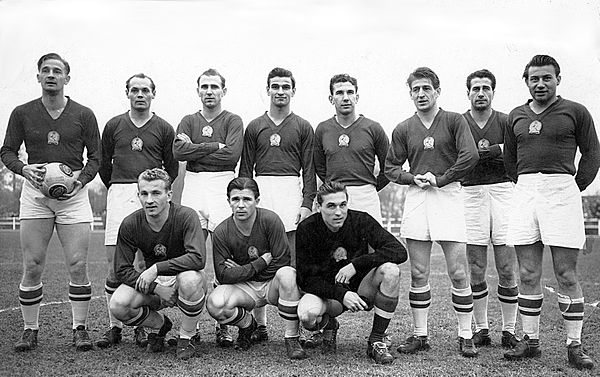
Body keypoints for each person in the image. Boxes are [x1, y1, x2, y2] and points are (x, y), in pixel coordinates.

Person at [503, 55, 599, 370]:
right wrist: (526, 184)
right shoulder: (516, 115)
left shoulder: (575, 111)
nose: (540, 84)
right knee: (528, 273)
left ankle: (574, 345)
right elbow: (510, 159)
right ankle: (530, 341)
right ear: (527, 82)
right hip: (526, 192)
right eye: (534, 79)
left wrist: (576, 186)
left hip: (561, 192)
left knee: (566, 274)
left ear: (557, 79)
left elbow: (592, 152)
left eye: (547, 78)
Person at [1, 53, 101, 352]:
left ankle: (80, 329)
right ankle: (30, 330)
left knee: (77, 264)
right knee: (32, 265)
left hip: (73, 196)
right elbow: (6, 151)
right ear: (38, 77)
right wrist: (23, 169)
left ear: (67, 78)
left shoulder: (84, 114)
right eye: (45, 70)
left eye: (58, 71)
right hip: (35, 196)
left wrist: (80, 181)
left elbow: (95, 158)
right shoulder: (22, 112)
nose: (51, 75)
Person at [384, 67, 480, 357]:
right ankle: (420, 334)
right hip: (417, 196)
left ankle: (465, 334)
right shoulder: (403, 128)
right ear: (410, 93)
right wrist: (412, 178)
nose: (421, 94)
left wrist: (442, 178)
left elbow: (470, 155)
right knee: (419, 272)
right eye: (416, 89)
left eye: (426, 88)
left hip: (448, 195)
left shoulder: (453, 121)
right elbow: (390, 167)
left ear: (437, 91)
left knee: (458, 272)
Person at [97, 73, 178, 349]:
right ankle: (114, 326)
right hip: (120, 192)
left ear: (153, 94)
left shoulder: (164, 128)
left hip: (149, 193)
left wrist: (152, 191)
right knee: (114, 266)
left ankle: (141, 327)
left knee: (144, 264)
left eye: (145, 90)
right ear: (127, 93)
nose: (140, 94)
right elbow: (103, 165)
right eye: (135, 90)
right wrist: (119, 187)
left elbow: (172, 168)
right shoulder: (113, 125)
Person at [295, 181, 407, 364]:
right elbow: (305, 279)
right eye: (331, 206)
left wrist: (356, 264)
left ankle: (376, 340)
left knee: (391, 271)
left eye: (342, 205)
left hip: (362, 290)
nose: (338, 212)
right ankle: (328, 324)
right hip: (328, 295)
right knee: (307, 315)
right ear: (318, 206)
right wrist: (342, 294)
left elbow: (399, 251)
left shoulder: (361, 220)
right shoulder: (307, 228)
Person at [172, 68, 244, 348]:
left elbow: (232, 154)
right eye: (205, 86)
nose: (210, 91)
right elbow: (178, 153)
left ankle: (223, 325)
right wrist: (214, 144)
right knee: (192, 256)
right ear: (198, 90)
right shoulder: (188, 120)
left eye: (215, 86)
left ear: (223, 91)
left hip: (221, 184)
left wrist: (196, 148)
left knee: (225, 256)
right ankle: (193, 326)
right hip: (193, 185)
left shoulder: (233, 120)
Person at [110, 168, 208, 360]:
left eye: (156, 193)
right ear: (138, 195)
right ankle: (160, 325)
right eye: (144, 194)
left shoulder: (186, 216)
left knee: (190, 279)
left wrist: (156, 268)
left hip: (183, 279)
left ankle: (186, 336)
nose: (149, 200)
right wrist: (156, 288)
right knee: (118, 305)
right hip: (153, 284)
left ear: (169, 195)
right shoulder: (131, 223)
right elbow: (121, 269)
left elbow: (198, 258)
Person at [205, 177, 307, 360]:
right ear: (228, 201)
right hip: (245, 288)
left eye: (247, 199)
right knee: (215, 303)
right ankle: (248, 325)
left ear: (257, 201)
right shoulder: (222, 231)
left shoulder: (271, 220)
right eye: (235, 199)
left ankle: (292, 338)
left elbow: (282, 261)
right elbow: (223, 274)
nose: (241, 205)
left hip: (270, 285)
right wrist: (259, 263)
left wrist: (241, 270)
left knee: (288, 274)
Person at [461, 69, 519, 349]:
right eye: (475, 88)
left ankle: (509, 329)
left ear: (493, 92)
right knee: (476, 266)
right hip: (470, 192)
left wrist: (496, 148)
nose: (480, 93)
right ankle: (482, 328)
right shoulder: (459, 122)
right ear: (468, 93)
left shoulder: (507, 121)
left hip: (503, 190)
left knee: (507, 266)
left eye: (486, 88)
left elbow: (520, 148)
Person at [239, 67, 316, 267]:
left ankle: (290, 294)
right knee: (261, 246)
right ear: (268, 90)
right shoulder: (255, 126)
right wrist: (246, 197)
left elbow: (309, 169)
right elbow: (246, 168)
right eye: (275, 87)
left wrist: (307, 203)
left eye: (285, 87)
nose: (280, 91)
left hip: (290, 188)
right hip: (262, 187)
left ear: (293, 91)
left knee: (291, 249)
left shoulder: (303, 126)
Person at [314, 74, 389, 224]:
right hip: (335, 197)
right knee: (335, 244)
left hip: (366, 196)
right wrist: (334, 188)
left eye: (350, 92)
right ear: (331, 99)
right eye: (340, 93)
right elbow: (319, 166)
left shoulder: (373, 128)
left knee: (371, 245)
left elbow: (389, 166)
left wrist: (370, 185)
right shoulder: (323, 129)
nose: (346, 97)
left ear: (357, 97)